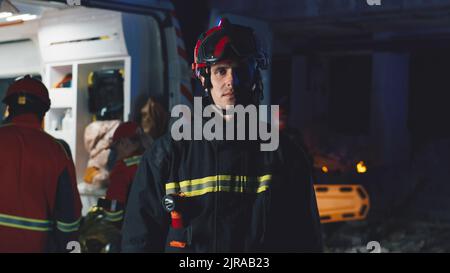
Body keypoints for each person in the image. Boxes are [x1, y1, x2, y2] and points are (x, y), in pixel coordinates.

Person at [121, 19, 323, 252]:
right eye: (220, 71)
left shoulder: (284, 155)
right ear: (205, 79)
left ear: (255, 75)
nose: (231, 81)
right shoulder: (168, 155)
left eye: (240, 69)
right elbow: (138, 241)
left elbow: (305, 241)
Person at [0, 75, 82, 252]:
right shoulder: (58, 150)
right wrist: (70, 248)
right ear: (44, 110)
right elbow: (68, 217)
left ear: (9, 107)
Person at [102, 121, 145, 225]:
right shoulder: (152, 161)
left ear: (124, 143)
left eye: (115, 149)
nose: (114, 155)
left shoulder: (123, 169)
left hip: (131, 229)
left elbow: (113, 214)